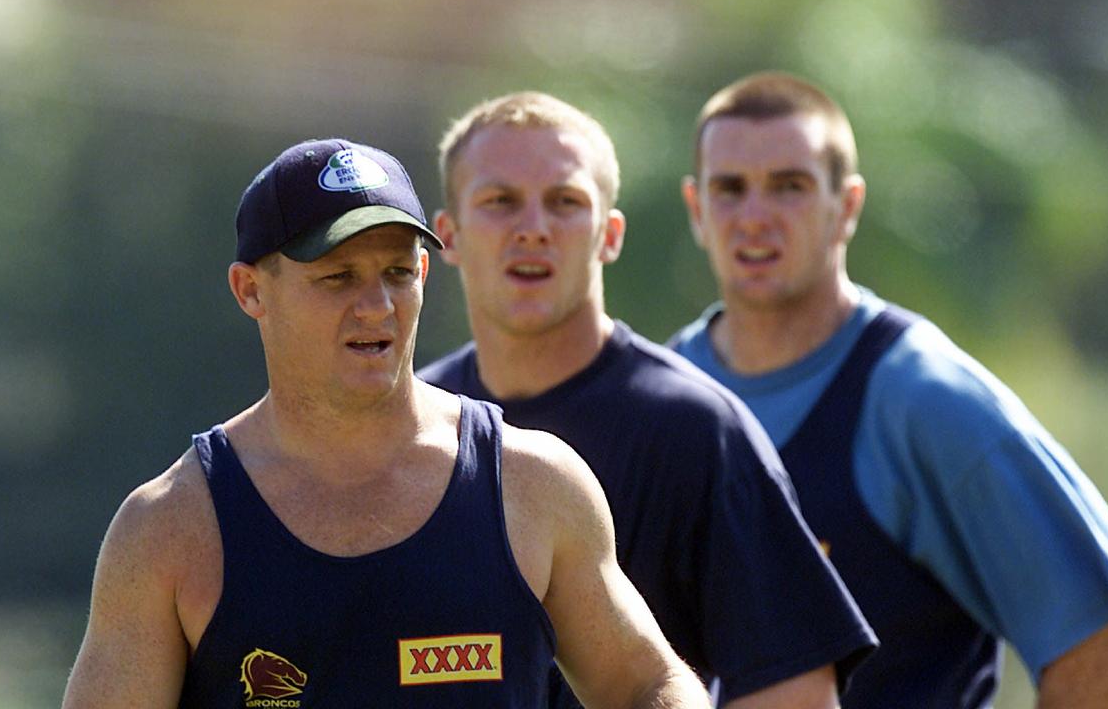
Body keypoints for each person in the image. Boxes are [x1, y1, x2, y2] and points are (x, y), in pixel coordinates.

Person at [61, 137, 715, 708]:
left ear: (425, 272)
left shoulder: (533, 485)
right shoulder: (170, 530)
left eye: (397, 274)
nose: (375, 307)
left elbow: (648, 684)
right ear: (250, 290)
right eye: (338, 277)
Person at [669, 71, 1108, 708]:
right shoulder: (666, 392)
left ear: (845, 206)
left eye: (789, 187)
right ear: (696, 208)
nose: (755, 216)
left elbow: (1104, 624)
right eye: (730, 188)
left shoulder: (919, 396)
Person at [419, 92, 876, 709]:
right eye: (500, 202)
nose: (533, 228)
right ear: (447, 235)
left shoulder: (694, 429)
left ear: (609, 234)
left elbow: (794, 691)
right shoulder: (415, 423)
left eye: (565, 202)